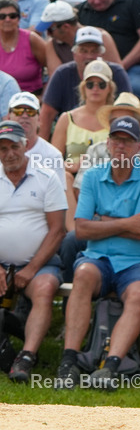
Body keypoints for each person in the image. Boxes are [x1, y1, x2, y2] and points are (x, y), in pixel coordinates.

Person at [56, 116, 140, 390]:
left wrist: (101, 221)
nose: (121, 146)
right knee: (82, 275)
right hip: (98, 259)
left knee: (139, 292)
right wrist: (127, 223)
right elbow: (81, 230)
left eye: (127, 141)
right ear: (107, 143)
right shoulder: (92, 175)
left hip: (137, 261)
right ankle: (68, 363)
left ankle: (109, 367)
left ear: (139, 146)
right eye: (116, 140)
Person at [0, 121, 67, 384]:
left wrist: (30, 269)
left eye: (13, 146)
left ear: (25, 145)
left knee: (45, 287)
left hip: (39, 262)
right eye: (2, 149)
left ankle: (27, 357)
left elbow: (57, 230)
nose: (8, 154)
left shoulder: (46, 177)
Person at [51, 59, 117, 174]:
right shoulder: (66, 119)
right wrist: (73, 166)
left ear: (109, 88)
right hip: (72, 177)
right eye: (90, 84)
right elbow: (53, 160)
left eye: (101, 84)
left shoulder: (116, 120)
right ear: (83, 88)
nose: (95, 89)